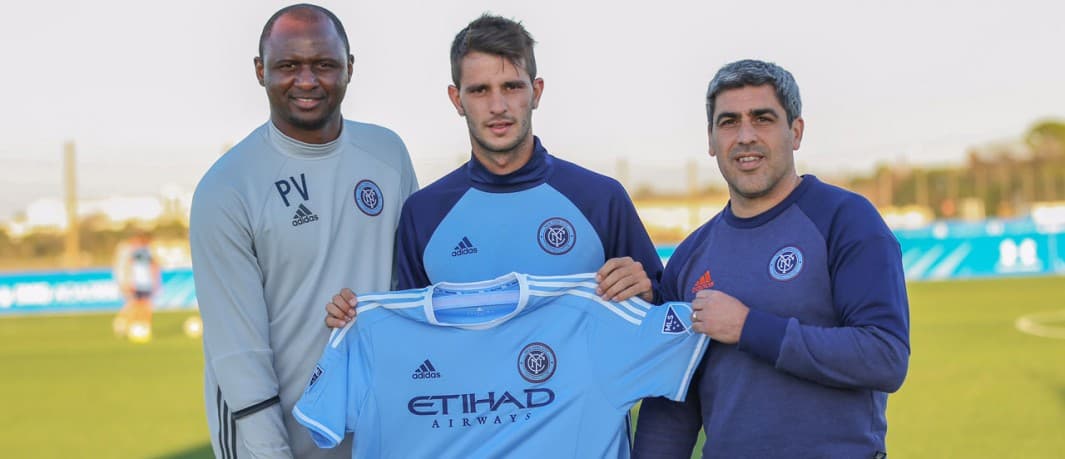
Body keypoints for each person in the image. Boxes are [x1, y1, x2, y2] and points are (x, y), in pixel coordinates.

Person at [324, 14, 662, 458]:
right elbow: (409, 350)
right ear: (456, 99)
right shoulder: (425, 214)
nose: (497, 106)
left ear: (536, 93)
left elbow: (663, 319)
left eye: (512, 87)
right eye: (479, 90)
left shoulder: (600, 199)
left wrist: (647, 290)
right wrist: (357, 321)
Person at [632, 59, 910, 458]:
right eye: (728, 122)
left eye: (762, 119)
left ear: (795, 132)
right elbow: (672, 406)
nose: (745, 136)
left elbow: (884, 357)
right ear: (710, 140)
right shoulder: (691, 257)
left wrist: (749, 327)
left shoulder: (846, 220)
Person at [189, 4, 417, 458]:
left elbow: (412, 287)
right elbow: (237, 353)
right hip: (274, 437)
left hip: (371, 434)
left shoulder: (387, 154)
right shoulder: (228, 187)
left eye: (325, 64)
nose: (308, 81)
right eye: (289, 66)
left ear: (349, 68)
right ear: (261, 71)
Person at [112, 231, 160, 342]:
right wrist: (129, 281)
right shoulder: (134, 252)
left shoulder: (147, 252)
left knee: (145, 306)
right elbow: (129, 266)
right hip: (137, 283)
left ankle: (144, 328)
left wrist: (155, 282)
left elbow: (154, 266)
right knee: (137, 306)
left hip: (146, 283)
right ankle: (132, 327)